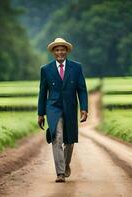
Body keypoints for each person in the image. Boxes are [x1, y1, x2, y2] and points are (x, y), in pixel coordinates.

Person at [37, 38, 88, 183]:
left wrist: (84, 109)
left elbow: (82, 90)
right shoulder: (46, 70)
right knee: (57, 136)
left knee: (69, 140)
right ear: (53, 52)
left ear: (67, 51)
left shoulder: (76, 68)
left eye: (62, 49)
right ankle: (60, 173)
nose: (60, 52)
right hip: (53, 107)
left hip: (71, 107)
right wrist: (41, 113)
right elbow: (42, 93)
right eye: (57, 50)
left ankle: (65, 165)